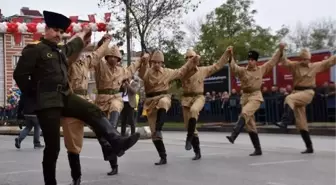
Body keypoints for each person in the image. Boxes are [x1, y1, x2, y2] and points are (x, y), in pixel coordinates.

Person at [13, 10, 140, 185]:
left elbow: (73, 46)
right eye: (55, 30)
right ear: (46, 29)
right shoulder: (35, 50)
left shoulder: (59, 52)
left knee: (92, 109)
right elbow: (19, 75)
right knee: (53, 148)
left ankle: (116, 141)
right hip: (47, 102)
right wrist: (35, 96)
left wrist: (83, 32)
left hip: (65, 96)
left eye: (61, 32)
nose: (58, 34)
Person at [93, 43, 147, 175]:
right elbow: (97, 55)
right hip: (101, 99)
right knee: (102, 138)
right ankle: (115, 161)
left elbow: (133, 67)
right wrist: (101, 44)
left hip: (115, 97)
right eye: (110, 56)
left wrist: (142, 58)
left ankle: (112, 130)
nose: (112, 59)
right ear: (106, 57)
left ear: (118, 59)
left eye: (115, 57)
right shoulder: (100, 66)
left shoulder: (122, 71)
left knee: (116, 107)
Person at [138, 50, 199, 165]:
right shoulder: (147, 72)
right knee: (153, 133)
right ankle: (163, 156)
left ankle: (159, 128)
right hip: (150, 101)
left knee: (164, 102)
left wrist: (191, 62)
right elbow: (141, 73)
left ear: (162, 63)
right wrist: (144, 62)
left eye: (159, 62)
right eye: (154, 62)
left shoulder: (167, 72)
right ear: (151, 62)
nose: (156, 64)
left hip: (163, 96)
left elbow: (181, 71)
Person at [225, 44, 285, 156]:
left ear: (256, 61)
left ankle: (234, 135)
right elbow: (233, 67)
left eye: (252, 60)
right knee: (250, 125)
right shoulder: (243, 71)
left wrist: (280, 50)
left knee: (245, 112)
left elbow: (272, 61)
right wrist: (230, 55)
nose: (250, 61)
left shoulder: (261, 69)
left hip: (256, 96)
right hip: (245, 97)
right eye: (249, 59)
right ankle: (258, 149)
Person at [274, 48, 336, 154]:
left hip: (307, 93)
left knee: (289, 98)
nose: (303, 61)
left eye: (305, 59)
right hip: (296, 92)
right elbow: (284, 62)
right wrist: (281, 50)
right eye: (301, 59)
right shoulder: (295, 66)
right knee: (301, 123)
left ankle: (285, 121)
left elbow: (328, 62)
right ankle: (309, 147)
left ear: (309, 59)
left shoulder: (314, 66)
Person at [180, 47, 231, 160]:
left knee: (194, 110)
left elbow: (217, 65)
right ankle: (197, 151)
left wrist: (226, 54)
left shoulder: (202, 70)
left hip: (198, 97)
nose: (190, 59)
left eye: (192, 57)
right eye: (188, 58)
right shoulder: (183, 72)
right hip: (186, 99)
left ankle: (189, 138)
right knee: (188, 126)